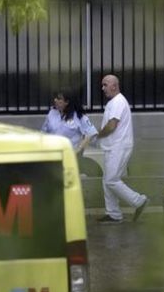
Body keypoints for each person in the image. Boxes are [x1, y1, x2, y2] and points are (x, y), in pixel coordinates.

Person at [96, 74, 148, 224]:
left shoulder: (118, 101)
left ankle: (139, 201)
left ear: (114, 85)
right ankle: (113, 214)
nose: (103, 88)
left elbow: (112, 125)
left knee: (111, 180)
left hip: (118, 147)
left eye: (105, 85)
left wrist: (98, 135)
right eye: (102, 85)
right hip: (112, 147)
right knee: (107, 181)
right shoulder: (114, 102)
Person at [41, 89, 98, 155]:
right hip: (52, 154)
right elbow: (43, 133)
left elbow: (91, 133)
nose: (55, 100)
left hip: (70, 155)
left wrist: (79, 149)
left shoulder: (78, 116)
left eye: (59, 99)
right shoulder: (52, 113)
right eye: (55, 98)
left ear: (67, 102)